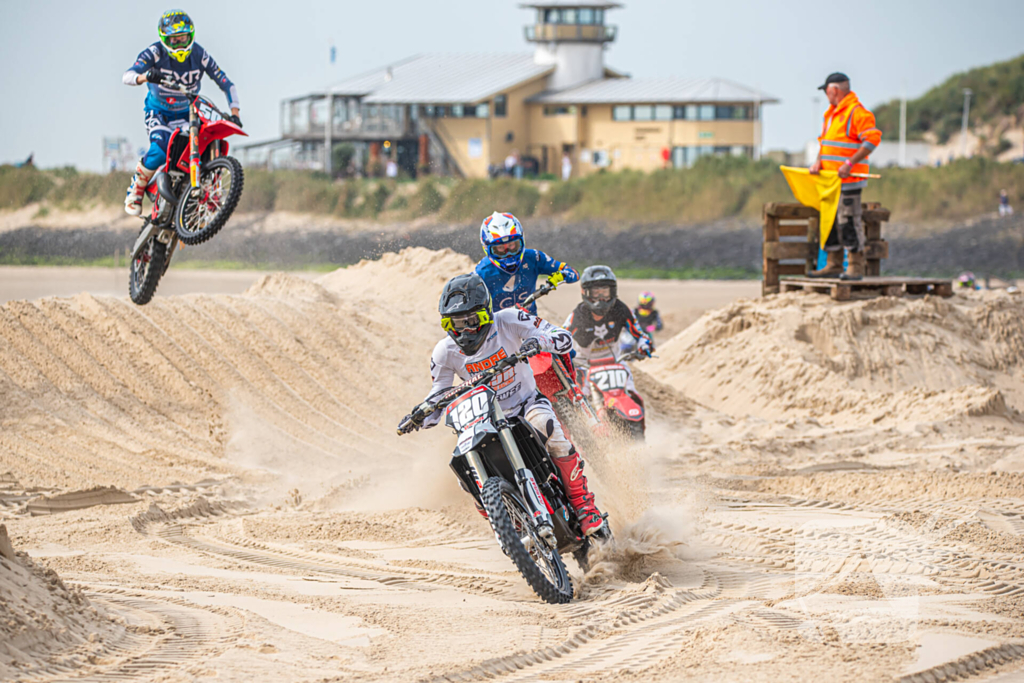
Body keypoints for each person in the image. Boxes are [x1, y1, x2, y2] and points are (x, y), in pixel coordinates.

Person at [403, 273, 608, 537]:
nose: (465, 330)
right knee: (464, 472)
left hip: (526, 404)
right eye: (457, 323)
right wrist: (422, 414)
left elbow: (562, 337)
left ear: (487, 313)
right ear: (446, 323)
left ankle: (584, 505)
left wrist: (539, 342)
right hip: (481, 420)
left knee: (547, 428)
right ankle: (507, 526)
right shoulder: (444, 352)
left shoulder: (509, 319)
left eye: (472, 320)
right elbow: (439, 393)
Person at [122, 10, 241, 216]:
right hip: (159, 113)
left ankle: (210, 192)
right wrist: (145, 76)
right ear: (164, 39)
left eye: (183, 38)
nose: (179, 44)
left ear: (191, 36)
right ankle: (136, 189)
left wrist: (235, 113)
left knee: (209, 138)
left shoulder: (199, 55)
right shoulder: (155, 52)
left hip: (188, 114)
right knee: (160, 151)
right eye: (173, 40)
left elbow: (227, 84)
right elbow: (128, 75)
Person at [808, 72, 882, 281]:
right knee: (830, 221)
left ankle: (855, 266)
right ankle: (833, 263)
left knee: (848, 220)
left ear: (834, 90)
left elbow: (872, 139)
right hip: (829, 181)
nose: (826, 95)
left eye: (826, 91)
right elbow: (825, 143)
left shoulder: (857, 113)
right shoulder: (830, 114)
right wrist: (818, 161)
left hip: (849, 181)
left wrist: (850, 163)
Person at [564, 266, 652, 397]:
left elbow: (640, 334)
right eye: (596, 292)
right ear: (586, 292)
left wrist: (643, 346)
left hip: (614, 362)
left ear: (612, 292)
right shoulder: (578, 315)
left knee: (631, 392)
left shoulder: (621, 310)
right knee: (581, 396)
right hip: (583, 364)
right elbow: (561, 336)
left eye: (605, 292)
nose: (601, 298)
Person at [475, 212, 579, 313]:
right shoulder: (482, 272)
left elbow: (573, 272)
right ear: (486, 248)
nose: (509, 254)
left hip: (530, 324)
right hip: (498, 328)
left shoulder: (533, 257)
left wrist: (562, 276)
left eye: (512, 246)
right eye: (500, 249)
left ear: (522, 240)